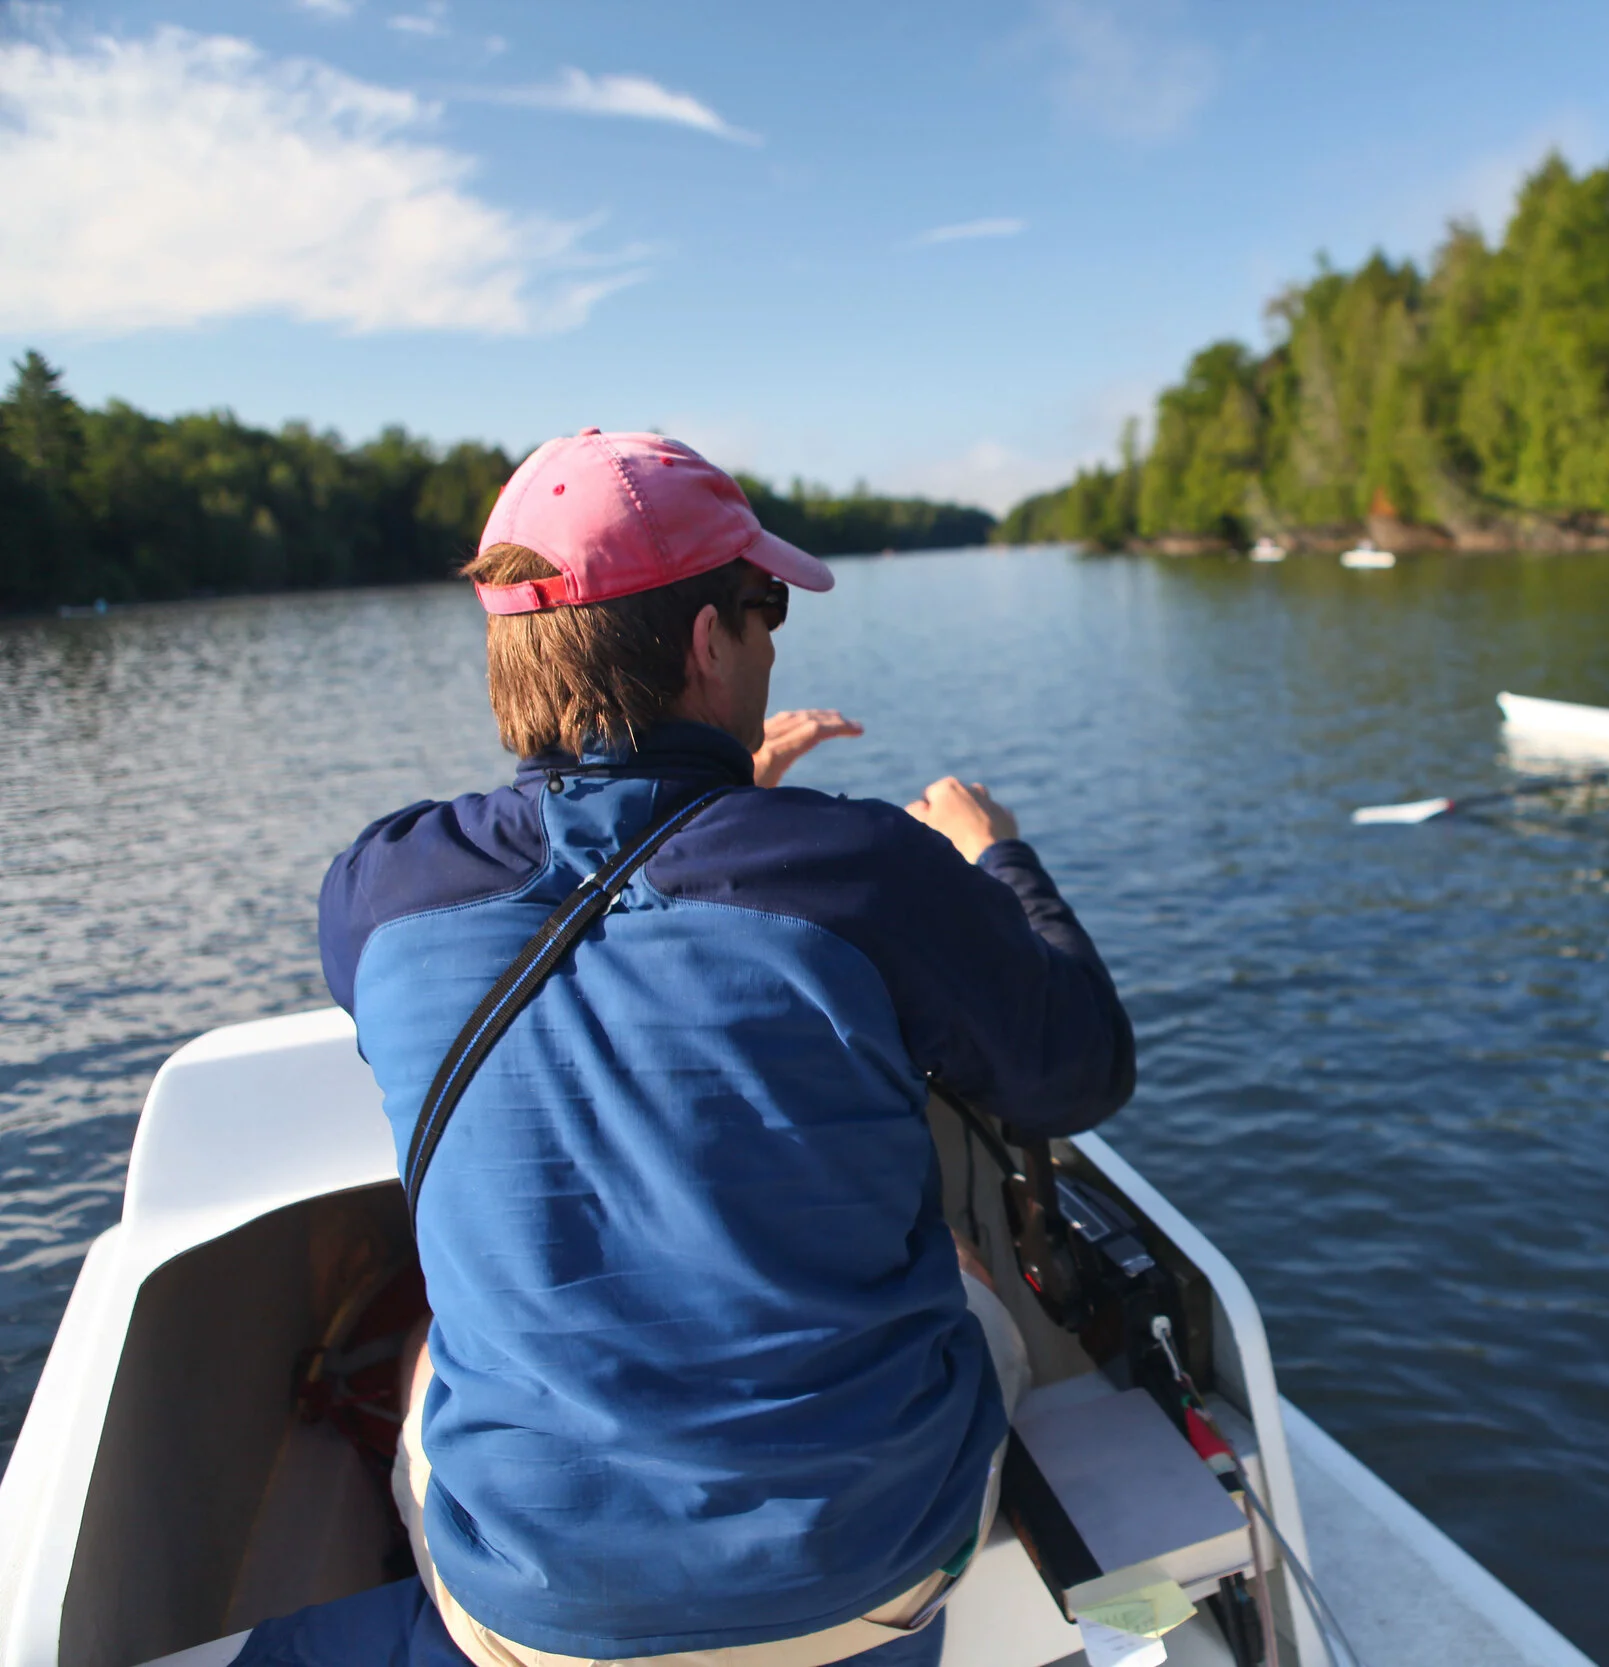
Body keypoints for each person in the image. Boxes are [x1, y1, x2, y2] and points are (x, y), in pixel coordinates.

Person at [318, 429, 1134, 1667]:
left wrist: (708, 806)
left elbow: (588, 928)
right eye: (765, 610)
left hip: (538, 1613)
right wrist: (995, 855)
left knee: (439, 1335)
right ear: (709, 641)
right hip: (853, 1575)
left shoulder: (379, 891)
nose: (767, 638)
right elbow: (1079, 1069)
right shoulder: (860, 870)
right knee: (969, 1281)